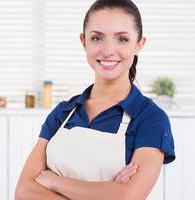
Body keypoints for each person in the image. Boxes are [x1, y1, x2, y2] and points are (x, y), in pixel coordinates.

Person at [15, 0, 176, 199]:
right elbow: (24, 192)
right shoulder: (64, 112)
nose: (108, 50)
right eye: (97, 38)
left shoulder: (150, 119)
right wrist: (107, 192)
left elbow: (127, 196)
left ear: (139, 44)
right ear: (84, 42)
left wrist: (56, 182)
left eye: (122, 39)